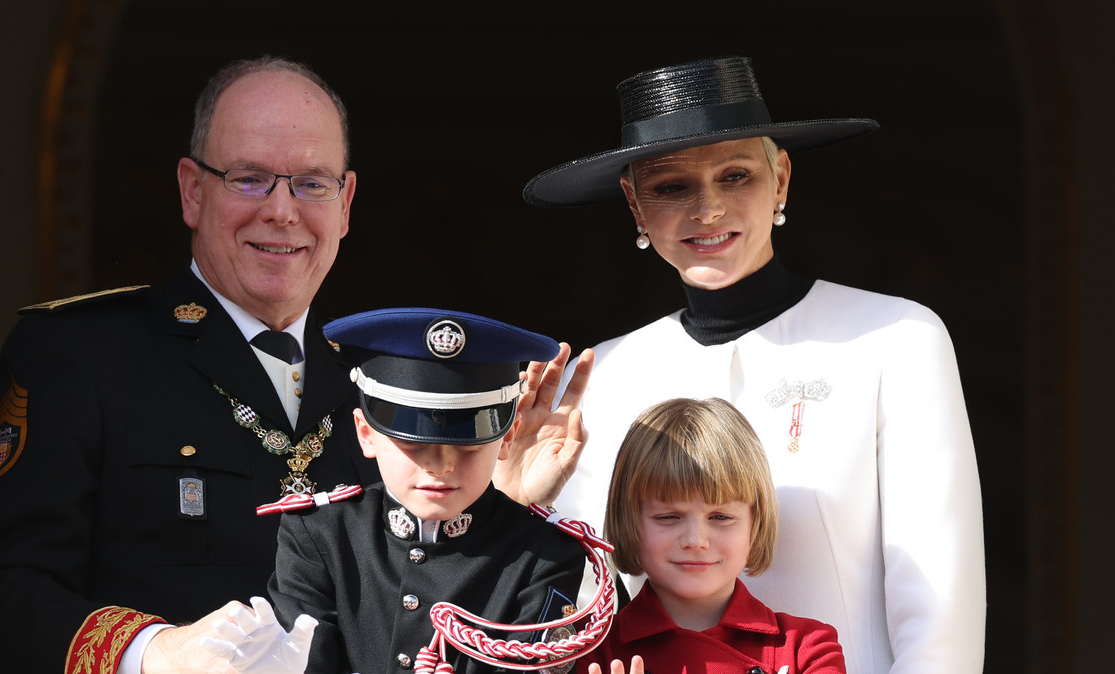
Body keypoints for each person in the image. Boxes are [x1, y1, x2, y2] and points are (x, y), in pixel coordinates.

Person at [0, 56, 589, 674]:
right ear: (192, 191)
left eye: (312, 183)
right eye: (250, 178)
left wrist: (488, 506)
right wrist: (153, 654)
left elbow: (409, 618)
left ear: (345, 203)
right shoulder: (83, 357)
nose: (282, 210)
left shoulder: (382, 380)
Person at [522, 56, 985, 674]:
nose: (708, 209)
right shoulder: (601, 374)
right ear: (634, 205)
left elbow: (940, 611)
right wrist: (510, 507)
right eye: (671, 186)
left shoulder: (894, 338)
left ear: (781, 180)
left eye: (735, 175)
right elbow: (578, 615)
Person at [202, 307, 594, 674]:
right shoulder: (320, 535)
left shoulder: (547, 556)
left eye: (469, 446)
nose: (441, 465)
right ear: (366, 434)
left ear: (506, 440)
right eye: (414, 444)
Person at [580, 397, 845, 674]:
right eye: (668, 517)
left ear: (756, 524)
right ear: (628, 521)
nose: (696, 541)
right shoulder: (593, 653)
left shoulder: (808, 648)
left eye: (721, 517)